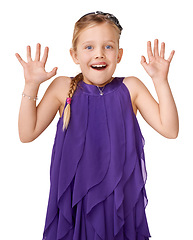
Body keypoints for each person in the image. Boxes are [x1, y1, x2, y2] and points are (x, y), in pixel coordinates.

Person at [16, 11, 179, 240]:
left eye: (108, 47)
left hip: (118, 206)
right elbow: (26, 133)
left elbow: (170, 129)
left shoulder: (131, 88)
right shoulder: (62, 88)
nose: (99, 54)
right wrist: (31, 85)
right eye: (89, 47)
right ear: (74, 55)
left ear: (119, 54)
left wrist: (160, 81)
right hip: (75, 206)